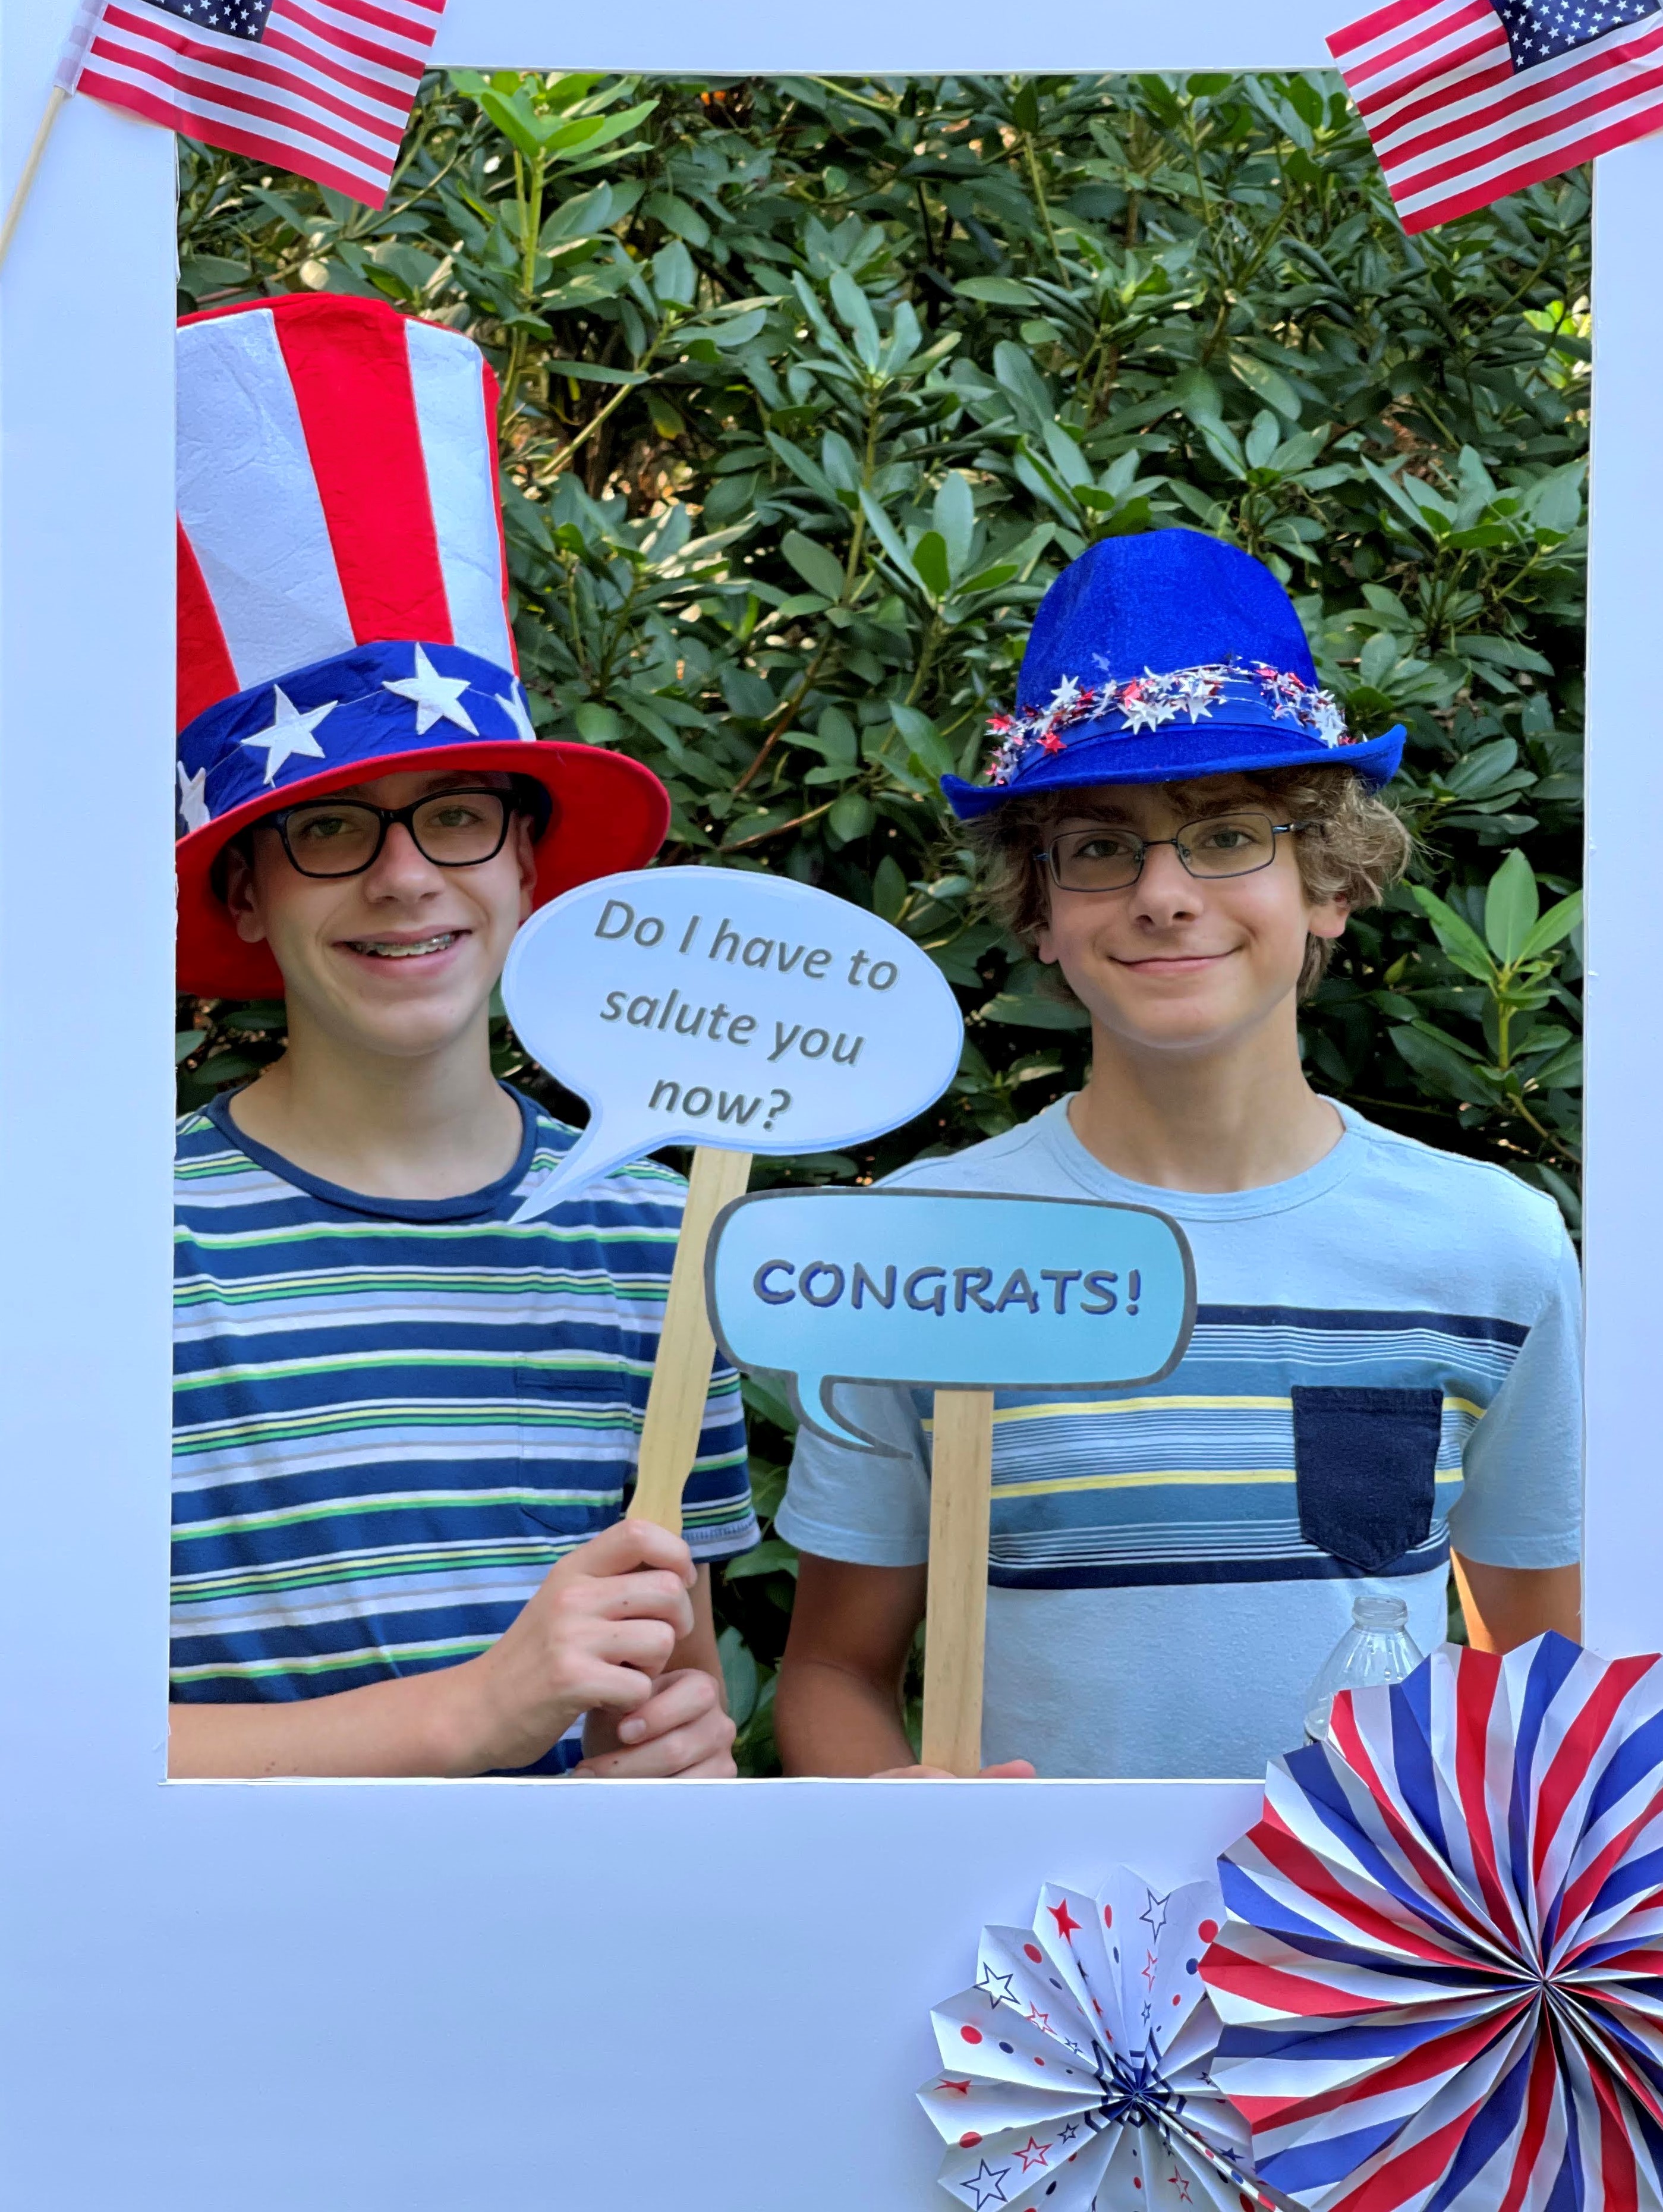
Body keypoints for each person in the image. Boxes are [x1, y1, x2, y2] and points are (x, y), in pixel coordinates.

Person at [773, 528, 1582, 1780]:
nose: (1163, 893)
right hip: (1022, 1913)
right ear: (1041, 909)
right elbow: (834, 1669)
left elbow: (1542, 1685)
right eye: (1102, 847)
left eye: (1228, 833)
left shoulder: (1491, 1246)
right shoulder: (923, 1250)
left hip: (1373, 1916)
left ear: (1329, 884)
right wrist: (897, 1817)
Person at [170, 294, 756, 1779]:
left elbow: (669, 1681)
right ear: (242, 890)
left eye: (456, 814)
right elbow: (46, 1744)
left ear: (527, 863)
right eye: (328, 827)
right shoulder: (123, 1247)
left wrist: (683, 1754)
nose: (405, 876)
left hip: (562, 1933)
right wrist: (467, 1715)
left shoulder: (661, 1239)